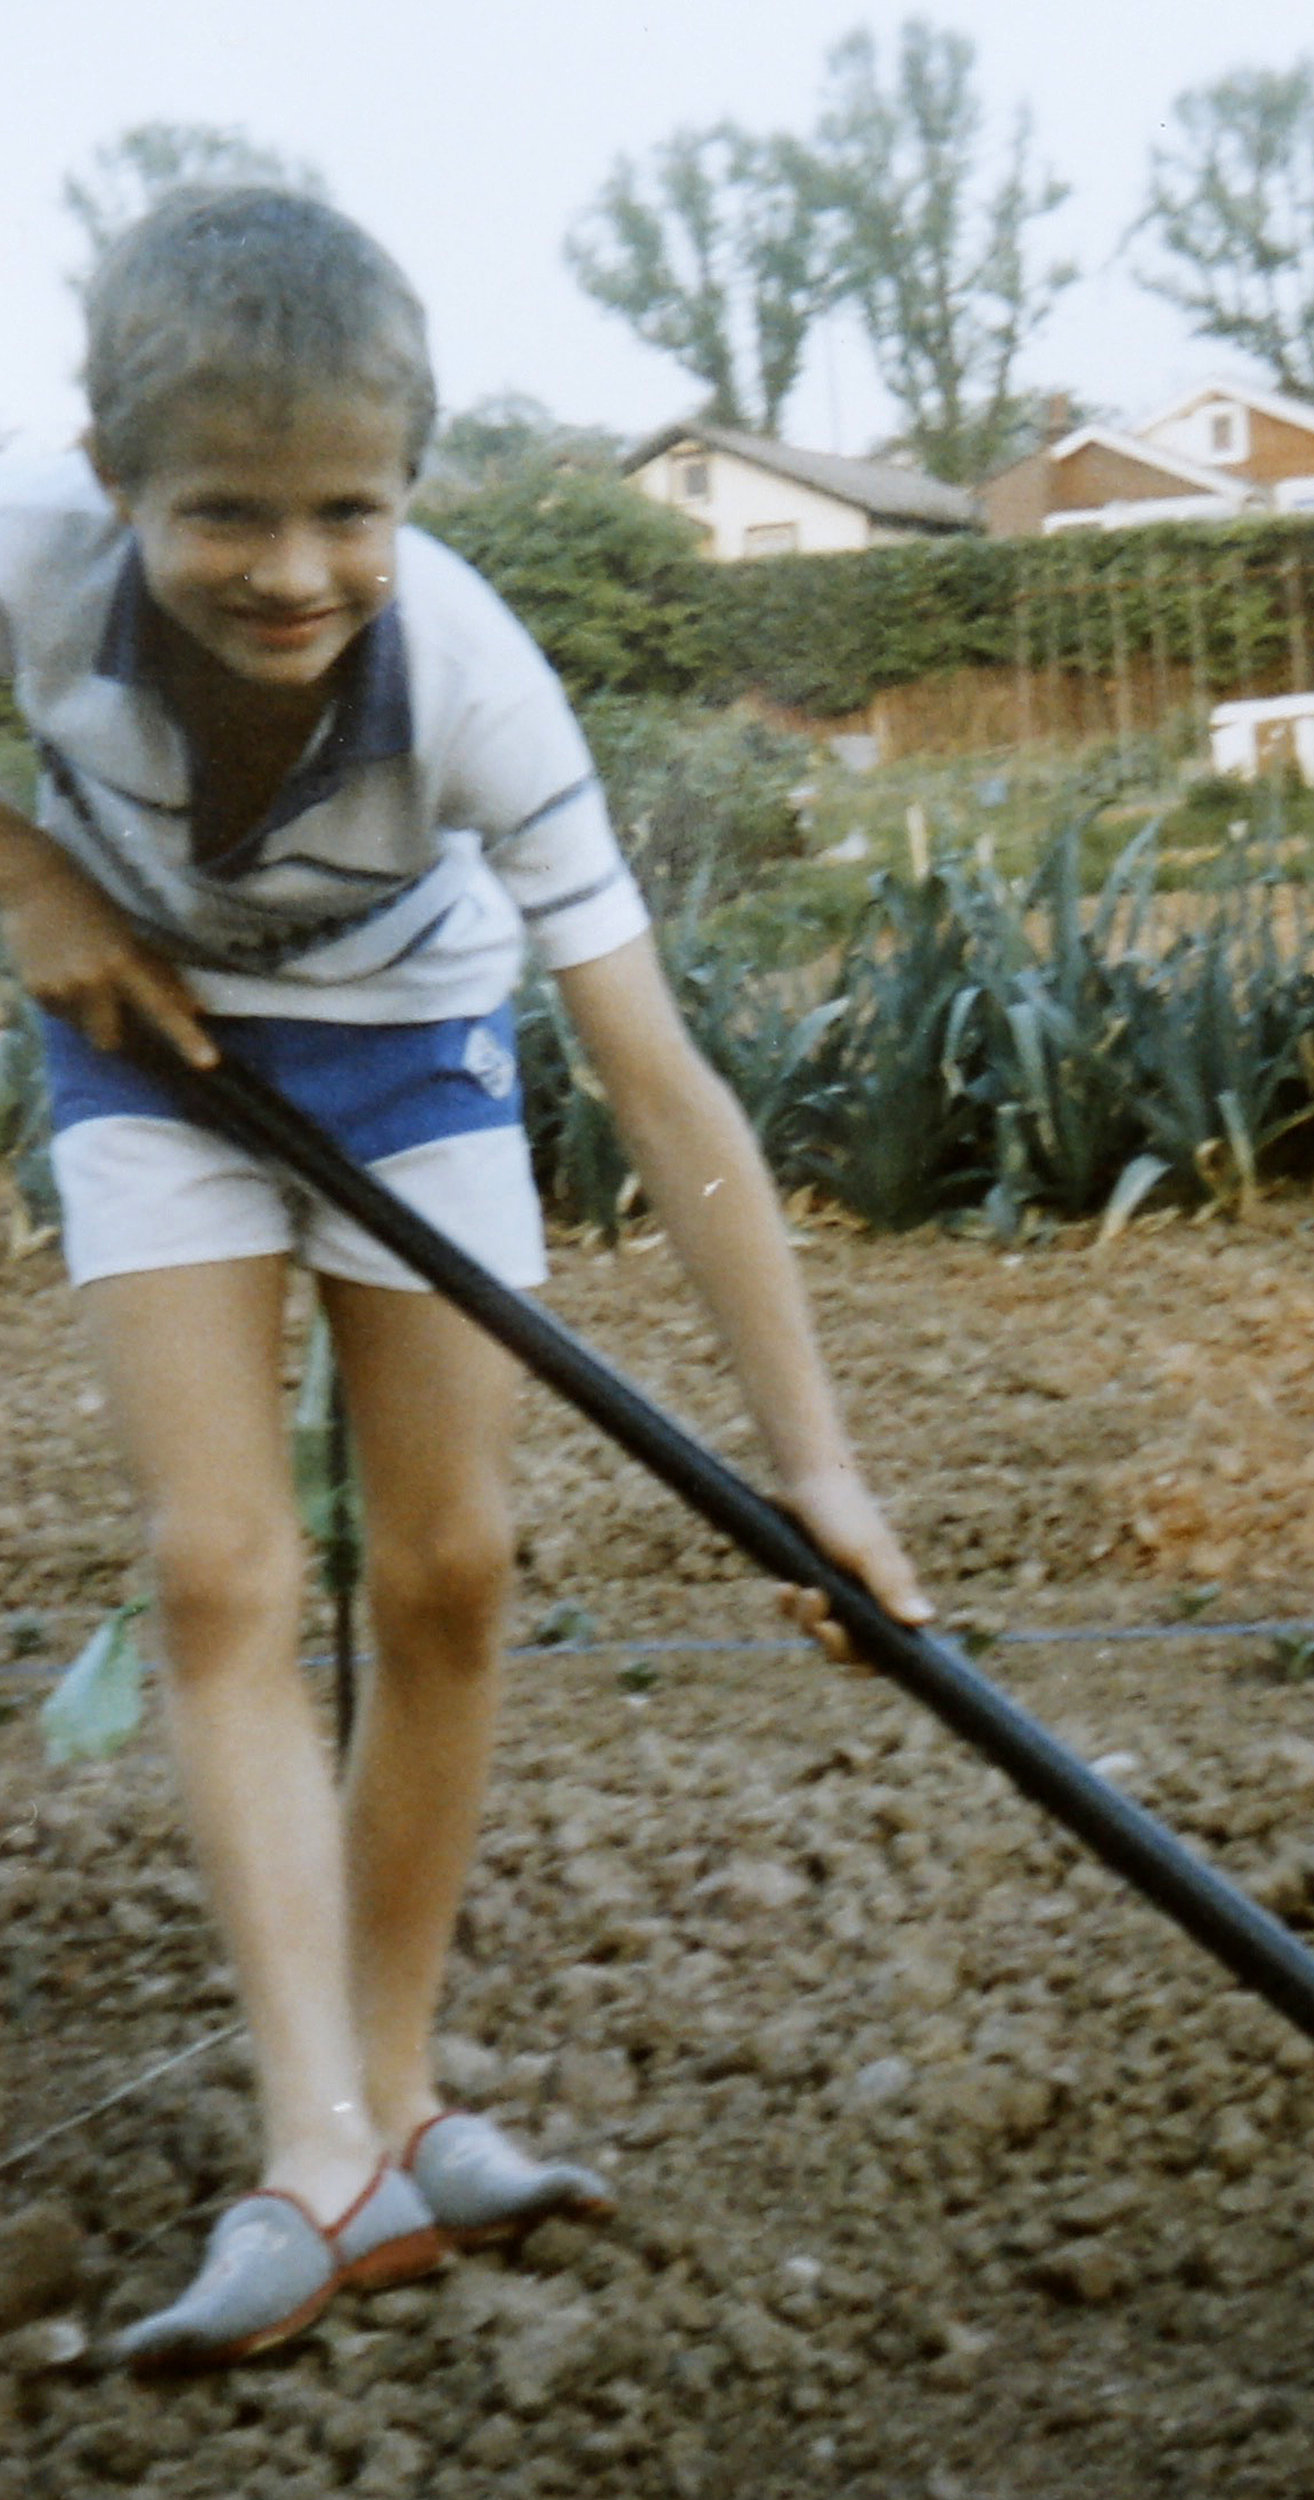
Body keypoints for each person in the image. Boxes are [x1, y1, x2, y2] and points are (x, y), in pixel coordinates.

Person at [0, 188, 929, 2370]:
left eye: (352, 507)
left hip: (414, 1052)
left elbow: (665, 1089)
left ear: (412, 487)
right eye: (225, 509)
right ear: (114, 474)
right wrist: (26, 871)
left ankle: (402, 2100)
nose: (295, 568)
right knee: (221, 1570)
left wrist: (820, 1470)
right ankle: (309, 2150)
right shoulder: (31, 552)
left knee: (450, 1569)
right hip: (143, 1051)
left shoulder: (475, 682)